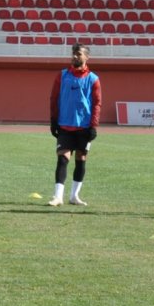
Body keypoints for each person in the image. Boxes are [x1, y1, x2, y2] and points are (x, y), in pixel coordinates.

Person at [48, 42, 101, 207]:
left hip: (84, 127)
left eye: (78, 54)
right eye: (73, 53)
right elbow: (54, 98)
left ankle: (74, 196)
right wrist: (53, 120)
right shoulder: (62, 75)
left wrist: (93, 126)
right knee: (62, 159)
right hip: (64, 125)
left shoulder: (93, 79)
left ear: (87, 57)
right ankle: (58, 197)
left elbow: (97, 103)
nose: (75, 57)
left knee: (81, 159)